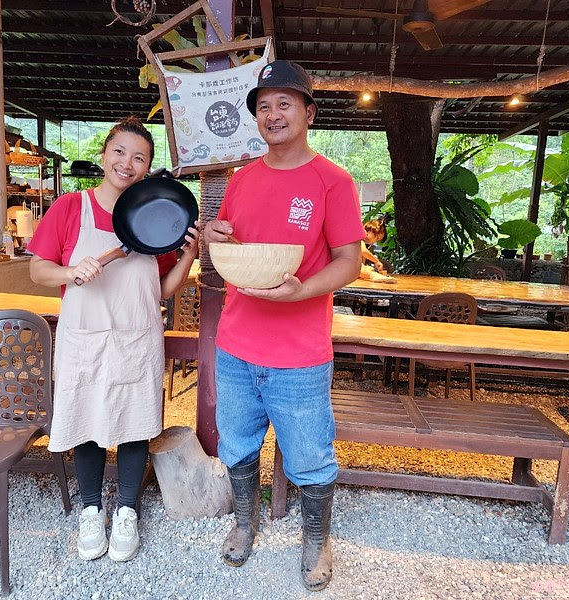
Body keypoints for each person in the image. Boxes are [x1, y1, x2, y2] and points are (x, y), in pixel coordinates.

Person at [203, 60, 364, 591]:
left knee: (311, 455)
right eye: (264, 106)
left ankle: (316, 541)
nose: (273, 115)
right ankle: (245, 522)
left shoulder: (333, 182)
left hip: (299, 350)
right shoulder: (242, 178)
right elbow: (232, 244)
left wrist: (303, 289)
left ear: (309, 113)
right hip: (236, 344)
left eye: (284, 104)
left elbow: (348, 260)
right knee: (238, 443)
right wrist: (216, 236)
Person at [28, 116, 199, 562]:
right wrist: (69, 271)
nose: (127, 163)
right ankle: (89, 511)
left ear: (147, 169)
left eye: (139, 157)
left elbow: (159, 290)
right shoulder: (70, 207)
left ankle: (126, 509)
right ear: (105, 154)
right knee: (85, 418)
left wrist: (190, 254)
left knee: (134, 420)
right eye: (120, 152)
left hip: (137, 336)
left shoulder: (152, 219)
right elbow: (37, 269)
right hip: (84, 337)